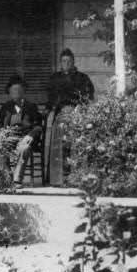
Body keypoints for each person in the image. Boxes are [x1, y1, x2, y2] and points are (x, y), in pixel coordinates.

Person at [44, 48, 95, 185]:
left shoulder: (82, 78)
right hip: (60, 114)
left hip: (77, 114)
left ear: (73, 62)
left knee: (76, 143)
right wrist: (51, 109)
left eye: (69, 61)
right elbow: (51, 99)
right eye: (63, 61)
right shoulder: (55, 78)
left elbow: (88, 97)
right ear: (60, 62)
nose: (66, 63)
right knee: (59, 143)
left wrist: (78, 108)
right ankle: (58, 179)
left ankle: (77, 178)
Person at [0, 74, 43, 186]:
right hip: (9, 138)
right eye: (12, 91)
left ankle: (16, 180)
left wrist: (30, 135)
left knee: (24, 148)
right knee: (0, 149)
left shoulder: (31, 107)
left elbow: (38, 126)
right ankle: (7, 179)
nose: (15, 93)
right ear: (9, 93)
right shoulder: (6, 107)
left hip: (24, 138)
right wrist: (0, 137)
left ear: (23, 91)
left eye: (18, 90)